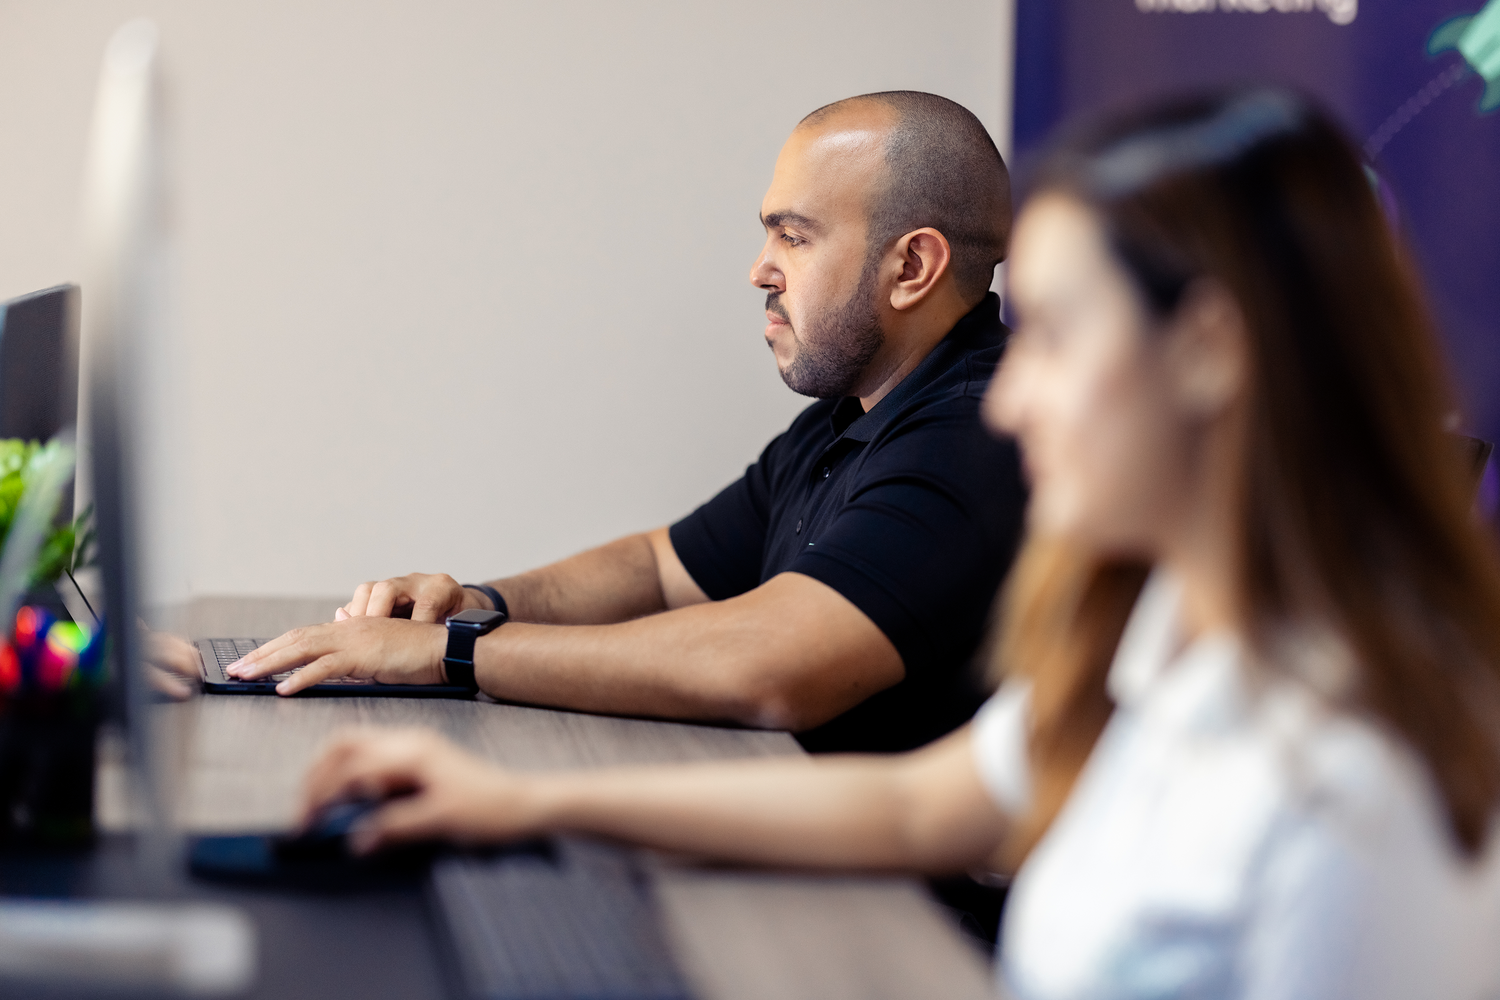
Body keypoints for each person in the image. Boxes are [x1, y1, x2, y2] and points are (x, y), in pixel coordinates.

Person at [294, 87, 1500, 998]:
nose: (1017, 401)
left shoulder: (1353, 788)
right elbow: (927, 806)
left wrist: (456, 659)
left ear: (1213, 350)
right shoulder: (1173, 650)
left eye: (1061, 340)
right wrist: (512, 806)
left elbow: (777, 671)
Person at [228, 92, 1026, 755]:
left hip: (903, 924)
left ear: (912, 267)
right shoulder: (851, 413)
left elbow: (767, 664)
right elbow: (657, 568)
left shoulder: (975, 433)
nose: (760, 269)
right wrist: (475, 604)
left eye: (794, 234)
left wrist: (451, 653)